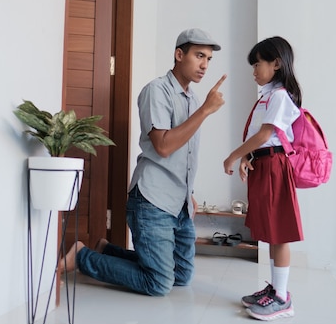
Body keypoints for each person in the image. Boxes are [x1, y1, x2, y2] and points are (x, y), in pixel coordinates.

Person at [64, 28, 227, 296]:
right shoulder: (156, 91)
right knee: (160, 283)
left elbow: (185, 154)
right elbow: (163, 146)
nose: (204, 65)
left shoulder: (193, 99)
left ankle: (107, 250)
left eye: (209, 59)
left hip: (180, 203)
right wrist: (205, 111)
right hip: (152, 199)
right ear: (178, 54)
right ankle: (82, 257)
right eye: (199, 56)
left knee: (181, 276)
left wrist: (190, 193)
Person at [222, 36, 303, 321]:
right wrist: (248, 158)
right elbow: (261, 140)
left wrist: (233, 156)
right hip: (265, 165)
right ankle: (275, 289)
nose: (254, 70)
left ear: (277, 63)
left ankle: (281, 298)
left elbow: (265, 135)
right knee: (271, 231)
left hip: (276, 167)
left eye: (258, 63)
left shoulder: (280, 95)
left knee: (279, 233)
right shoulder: (270, 95)